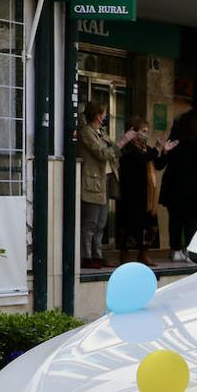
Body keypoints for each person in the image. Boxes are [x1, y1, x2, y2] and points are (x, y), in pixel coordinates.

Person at [117, 116, 176, 265]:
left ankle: (144, 254)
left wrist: (164, 152)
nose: (145, 134)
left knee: (149, 225)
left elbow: (158, 165)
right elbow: (139, 161)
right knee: (130, 225)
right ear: (134, 131)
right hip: (132, 194)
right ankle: (124, 257)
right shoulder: (127, 149)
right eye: (143, 131)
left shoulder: (147, 149)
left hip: (148, 195)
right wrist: (156, 150)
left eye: (147, 131)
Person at [158, 110, 197, 261]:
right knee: (191, 220)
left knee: (175, 219)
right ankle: (189, 250)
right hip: (192, 188)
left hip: (173, 187)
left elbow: (163, 162)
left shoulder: (175, 140)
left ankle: (175, 249)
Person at [77, 101, 120, 269]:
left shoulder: (101, 132)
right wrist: (121, 143)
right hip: (93, 181)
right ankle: (86, 256)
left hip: (105, 180)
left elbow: (113, 150)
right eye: (103, 114)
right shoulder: (86, 132)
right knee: (90, 222)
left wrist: (115, 147)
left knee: (102, 222)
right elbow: (103, 153)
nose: (105, 117)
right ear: (97, 115)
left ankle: (98, 254)